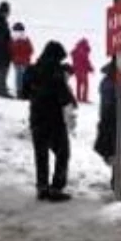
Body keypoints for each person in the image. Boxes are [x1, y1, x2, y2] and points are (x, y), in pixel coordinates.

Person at [24, 41, 76, 202]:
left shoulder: (31, 70)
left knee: (41, 154)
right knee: (63, 153)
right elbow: (64, 98)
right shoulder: (56, 72)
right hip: (54, 121)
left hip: (36, 119)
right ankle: (56, 189)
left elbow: (24, 92)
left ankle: (42, 188)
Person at [10, 23, 34, 98]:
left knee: (19, 77)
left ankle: (20, 92)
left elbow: (10, 51)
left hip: (19, 61)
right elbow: (31, 50)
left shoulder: (13, 39)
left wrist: (14, 57)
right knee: (23, 77)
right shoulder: (25, 39)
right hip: (23, 61)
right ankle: (23, 92)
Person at [70, 38, 94, 103]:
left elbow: (77, 60)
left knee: (79, 84)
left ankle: (78, 98)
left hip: (76, 70)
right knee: (85, 84)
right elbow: (85, 61)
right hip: (82, 70)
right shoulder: (82, 51)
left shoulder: (76, 51)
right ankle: (84, 98)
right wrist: (90, 68)